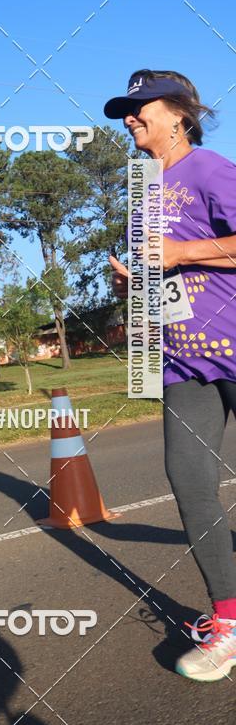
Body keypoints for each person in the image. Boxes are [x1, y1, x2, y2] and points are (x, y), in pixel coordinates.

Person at [105, 69, 236, 681]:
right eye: (124, 112)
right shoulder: (142, 189)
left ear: (180, 113)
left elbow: (187, 252)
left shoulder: (209, 169)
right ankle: (229, 624)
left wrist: (181, 253)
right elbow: (161, 271)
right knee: (189, 482)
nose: (129, 118)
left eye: (139, 108)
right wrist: (136, 283)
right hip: (183, 361)